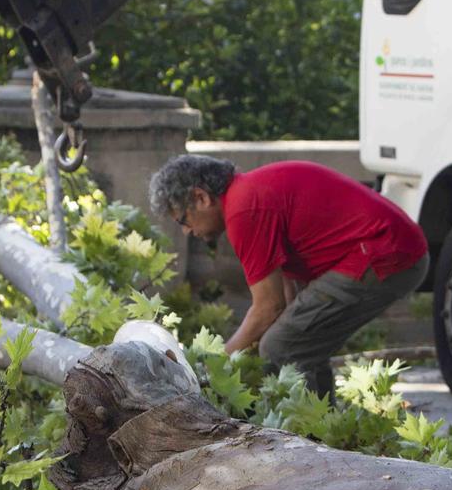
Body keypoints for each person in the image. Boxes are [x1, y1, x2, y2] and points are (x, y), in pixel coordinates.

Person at [149, 154, 429, 396]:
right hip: (396, 246)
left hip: (386, 252)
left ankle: (307, 442)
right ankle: (326, 433)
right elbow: (284, 300)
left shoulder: (244, 209)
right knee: (296, 339)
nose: (187, 231)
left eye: (183, 220)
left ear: (201, 198)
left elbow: (267, 308)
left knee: (281, 346)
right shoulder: (250, 193)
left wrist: (214, 365)